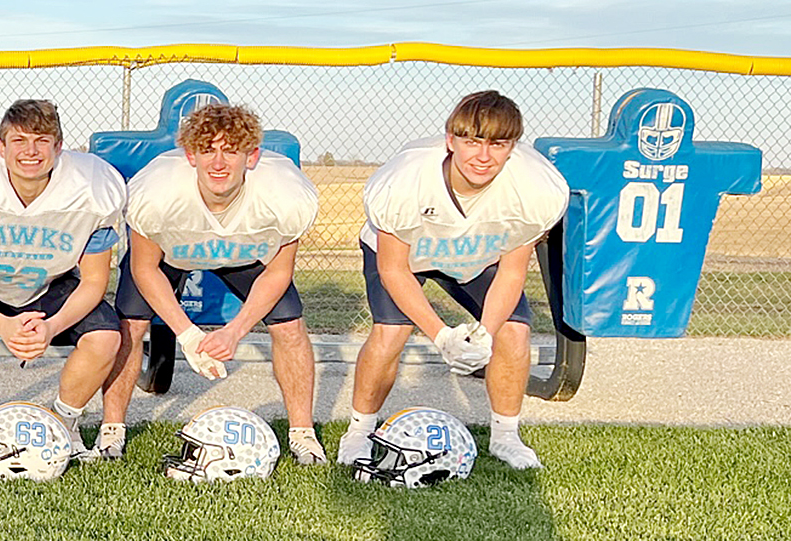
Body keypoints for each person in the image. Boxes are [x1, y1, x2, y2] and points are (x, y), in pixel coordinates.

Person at [339, 90, 568, 470]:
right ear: (450, 140)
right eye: (472, 141)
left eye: (498, 143)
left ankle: (506, 437)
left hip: (479, 254)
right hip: (410, 254)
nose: (483, 155)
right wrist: (443, 337)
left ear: (513, 146)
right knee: (391, 332)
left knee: (513, 332)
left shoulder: (538, 189)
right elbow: (394, 268)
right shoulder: (404, 180)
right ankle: (360, 431)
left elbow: (512, 271)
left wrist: (484, 335)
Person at [98, 103, 325, 463]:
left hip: (245, 256)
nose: (218, 163)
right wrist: (188, 335)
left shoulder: (286, 194)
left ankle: (303, 434)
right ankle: (111, 432)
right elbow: (145, 269)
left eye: (230, 150)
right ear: (190, 155)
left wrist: (234, 331)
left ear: (252, 156)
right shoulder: (156, 191)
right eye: (208, 150)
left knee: (291, 327)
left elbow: (279, 273)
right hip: (171, 255)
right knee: (130, 322)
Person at [0, 99, 126, 461]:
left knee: (105, 336)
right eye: (19, 141)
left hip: (51, 285)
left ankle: (63, 426)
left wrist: (52, 328)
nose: (30, 151)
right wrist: (2, 325)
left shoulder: (91, 189)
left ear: (58, 147)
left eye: (42, 140)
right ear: (1, 148)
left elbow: (94, 281)